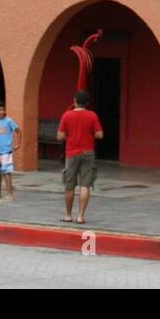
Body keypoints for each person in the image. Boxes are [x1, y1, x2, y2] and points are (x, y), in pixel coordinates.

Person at [57, 90, 103, 224]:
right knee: (85, 185)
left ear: (74, 101)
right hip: (88, 152)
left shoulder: (67, 115)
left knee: (69, 185)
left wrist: (70, 135)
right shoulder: (92, 115)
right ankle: (81, 216)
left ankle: (68, 215)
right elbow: (100, 135)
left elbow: (60, 136)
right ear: (87, 103)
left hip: (71, 153)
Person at [0, 100, 20, 202]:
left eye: (3, 110)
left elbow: (19, 132)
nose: (2, 112)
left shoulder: (9, 121)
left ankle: (9, 194)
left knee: (7, 172)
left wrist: (18, 144)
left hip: (6, 151)